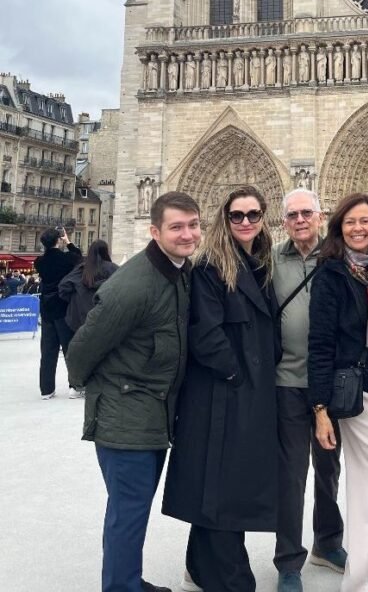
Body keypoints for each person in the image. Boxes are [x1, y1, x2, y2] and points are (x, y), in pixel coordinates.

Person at [66, 191, 200, 592]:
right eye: (176, 227)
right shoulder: (133, 284)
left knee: (133, 512)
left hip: (152, 414)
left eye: (193, 225)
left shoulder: (179, 272)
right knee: (127, 513)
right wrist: (109, 391)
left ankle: (126, 581)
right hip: (125, 418)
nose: (187, 234)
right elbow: (80, 352)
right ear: (154, 230)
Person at [162, 185, 279, 592]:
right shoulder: (212, 265)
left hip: (248, 390)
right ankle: (233, 580)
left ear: (264, 218)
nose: (245, 222)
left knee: (222, 484)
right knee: (225, 488)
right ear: (224, 220)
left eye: (253, 215)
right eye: (237, 215)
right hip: (222, 393)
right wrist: (235, 375)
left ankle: (199, 567)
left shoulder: (262, 263)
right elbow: (205, 332)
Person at [308, 193, 368, 592]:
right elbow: (320, 343)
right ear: (338, 228)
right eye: (350, 222)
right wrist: (319, 408)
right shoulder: (330, 274)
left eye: (365, 221)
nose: (359, 229)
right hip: (356, 387)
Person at [271, 188, 345, 592]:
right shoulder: (270, 260)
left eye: (307, 213)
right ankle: (288, 560)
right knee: (291, 472)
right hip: (285, 381)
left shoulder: (336, 258)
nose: (300, 220)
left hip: (328, 380)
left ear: (321, 216)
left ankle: (328, 542)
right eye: (292, 215)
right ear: (284, 222)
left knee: (329, 468)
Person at [35, 227, 82, 399]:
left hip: (46, 307)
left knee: (48, 349)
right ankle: (75, 385)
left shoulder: (39, 261)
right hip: (62, 306)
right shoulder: (66, 259)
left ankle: (46, 389)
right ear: (58, 241)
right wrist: (68, 242)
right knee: (70, 348)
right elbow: (79, 257)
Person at [58, 239, 120, 334]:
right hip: (107, 320)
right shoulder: (114, 269)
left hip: (80, 319)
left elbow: (63, 288)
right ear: (106, 251)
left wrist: (76, 300)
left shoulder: (80, 270)